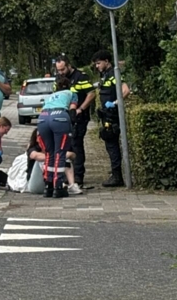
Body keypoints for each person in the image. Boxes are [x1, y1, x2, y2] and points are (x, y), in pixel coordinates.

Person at [36, 76, 83, 198]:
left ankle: (48, 185)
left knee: (48, 153)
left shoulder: (50, 96)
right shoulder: (71, 93)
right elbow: (73, 111)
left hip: (43, 118)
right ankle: (58, 186)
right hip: (59, 118)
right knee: (60, 153)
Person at [91, 50, 130, 187]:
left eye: (98, 63)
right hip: (107, 115)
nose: (97, 66)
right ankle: (115, 172)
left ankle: (117, 176)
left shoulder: (114, 74)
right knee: (109, 144)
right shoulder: (105, 75)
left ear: (107, 61)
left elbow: (125, 90)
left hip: (112, 116)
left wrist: (114, 103)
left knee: (112, 145)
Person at [55, 55, 94, 187]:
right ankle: (68, 175)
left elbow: (91, 94)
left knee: (76, 144)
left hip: (79, 117)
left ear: (68, 65)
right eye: (58, 70)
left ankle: (78, 176)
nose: (60, 73)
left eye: (62, 69)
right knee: (67, 145)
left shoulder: (81, 77)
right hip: (64, 118)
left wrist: (81, 109)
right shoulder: (59, 79)